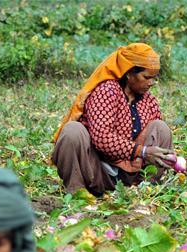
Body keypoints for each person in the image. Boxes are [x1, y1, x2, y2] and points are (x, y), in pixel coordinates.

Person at [51, 42, 176, 196]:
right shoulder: (106, 91)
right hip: (98, 172)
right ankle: (77, 191)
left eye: (154, 78)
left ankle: (146, 189)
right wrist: (142, 151)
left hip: (131, 175)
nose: (151, 83)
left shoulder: (148, 100)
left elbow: (157, 142)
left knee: (161, 128)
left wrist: (174, 162)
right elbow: (101, 137)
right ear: (129, 73)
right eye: (146, 77)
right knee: (72, 131)